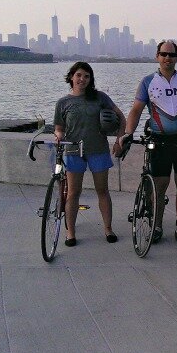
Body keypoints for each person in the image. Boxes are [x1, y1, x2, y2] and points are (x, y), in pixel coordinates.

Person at [120, 40, 177, 245]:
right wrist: (127, 133)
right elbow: (136, 109)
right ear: (157, 57)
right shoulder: (147, 81)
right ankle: (157, 226)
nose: (167, 58)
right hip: (159, 140)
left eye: (171, 54)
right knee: (159, 186)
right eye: (163, 54)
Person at [54, 61, 126, 246]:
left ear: (90, 79)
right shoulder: (63, 103)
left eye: (86, 76)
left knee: (102, 190)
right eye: (78, 75)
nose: (82, 79)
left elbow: (121, 118)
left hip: (98, 150)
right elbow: (59, 128)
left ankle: (108, 229)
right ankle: (71, 232)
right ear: (71, 77)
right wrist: (59, 136)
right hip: (73, 151)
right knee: (73, 193)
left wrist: (119, 140)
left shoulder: (100, 97)